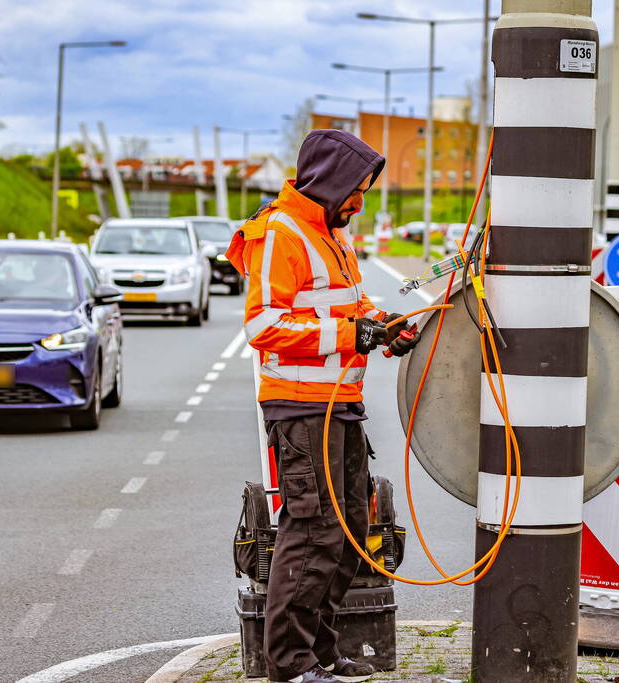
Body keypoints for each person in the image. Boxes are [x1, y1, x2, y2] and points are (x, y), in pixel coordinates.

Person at [226, 129, 420, 683]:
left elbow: (350, 305)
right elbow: (263, 326)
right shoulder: (279, 234)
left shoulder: (334, 233)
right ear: (329, 184)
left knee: (352, 527)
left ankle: (323, 650)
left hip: (341, 401)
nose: (361, 202)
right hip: (299, 405)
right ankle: (290, 665)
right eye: (355, 190)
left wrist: (380, 328)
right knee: (312, 531)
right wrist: (351, 332)